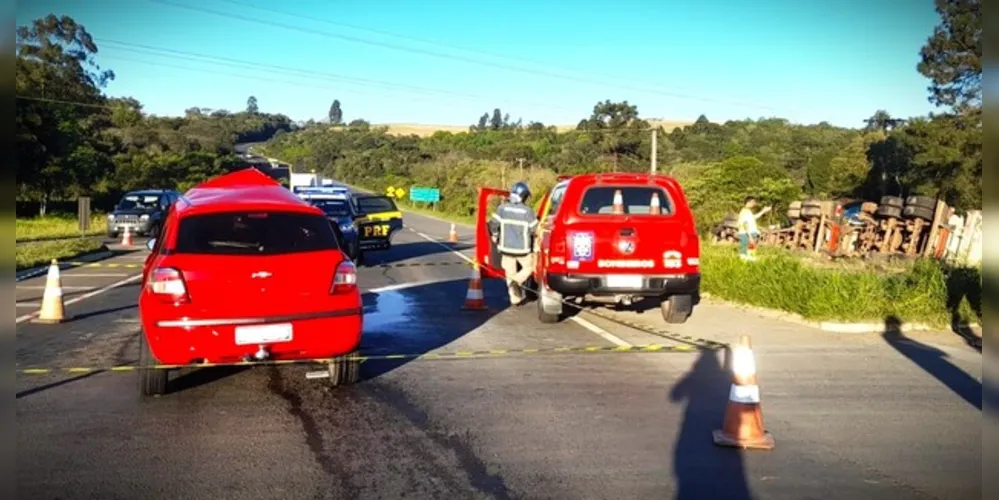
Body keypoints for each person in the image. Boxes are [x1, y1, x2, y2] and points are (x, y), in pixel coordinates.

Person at [488, 181, 539, 305]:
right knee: (531, 266)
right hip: (523, 250)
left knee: (509, 273)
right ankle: (516, 281)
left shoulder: (502, 208)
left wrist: (495, 235)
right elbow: (535, 229)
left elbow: (493, 224)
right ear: (523, 196)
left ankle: (515, 299)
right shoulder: (528, 211)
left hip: (505, 248)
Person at [737, 196, 771, 261]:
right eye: (753, 202)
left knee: (750, 251)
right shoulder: (744, 212)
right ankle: (745, 263)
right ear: (749, 202)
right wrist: (750, 236)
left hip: (748, 233)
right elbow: (745, 224)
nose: (754, 204)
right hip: (746, 234)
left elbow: (754, 217)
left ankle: (749, 263)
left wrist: (763, 211)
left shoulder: (747, 211)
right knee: (744, 252)